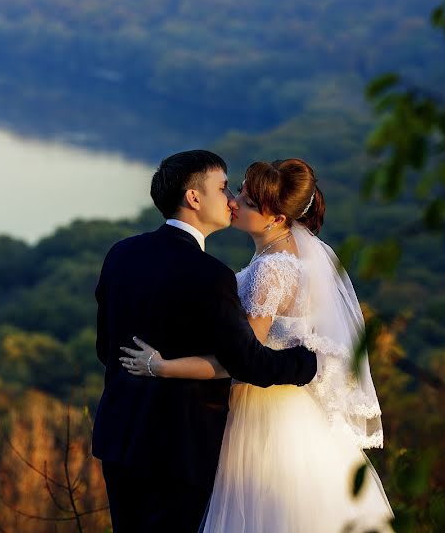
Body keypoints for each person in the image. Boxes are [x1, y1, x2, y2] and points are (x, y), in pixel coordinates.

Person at [122, 158, 394, 532]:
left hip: (264, 414)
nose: (234, 202)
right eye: (239, 193)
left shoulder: (272, 271)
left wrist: (162, 366)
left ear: (277, 219)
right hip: (298, 410)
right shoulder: (295, 260)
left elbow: (240, 360)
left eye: (248, 202)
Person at [92, 150, 318, 533]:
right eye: (223, 187)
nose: (231, 199)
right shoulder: (210, 275)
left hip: (119, 440)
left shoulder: (121, 254)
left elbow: (105, 348)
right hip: (180, 449)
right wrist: (307, 363)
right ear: (194, 198)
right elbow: (248, 363)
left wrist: (153, 367)